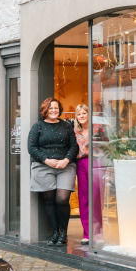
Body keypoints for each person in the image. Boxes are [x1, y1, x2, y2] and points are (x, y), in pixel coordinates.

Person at [28, 97, 79, 246]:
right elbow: (32, 148)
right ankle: (55, 232)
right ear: (45, 110)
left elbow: (73, 146)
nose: (54, 111)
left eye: (56, 108)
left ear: (59, 110)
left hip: (65, 167)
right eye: (50, 108)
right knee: (49, 200)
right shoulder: (37, 126)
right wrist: (46, 160)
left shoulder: (66, 126)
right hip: (43, 166)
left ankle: (63, 232)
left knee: (62, 198)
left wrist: (66, 160)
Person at [74, 104, 104, 245]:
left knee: (96, 197)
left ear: (88, 114)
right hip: (81, 164)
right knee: (84, 198)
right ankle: (87, 233)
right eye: (79, 114)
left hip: (96, 162)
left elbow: (106, 144)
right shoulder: (75, 132)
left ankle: (98, 232)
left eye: (84, 113)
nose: (82, 116)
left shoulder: (97, 129)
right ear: (76, 117)